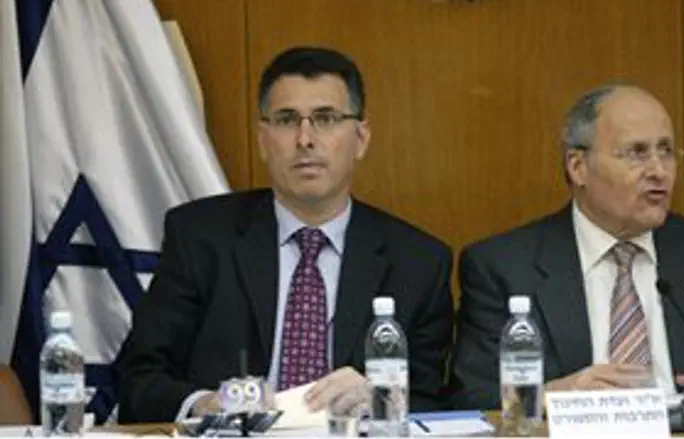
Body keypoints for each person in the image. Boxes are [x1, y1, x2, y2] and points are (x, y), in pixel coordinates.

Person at [118, 47, 454, 422]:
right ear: (263, 140)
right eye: (286, 120)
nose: (305, 139)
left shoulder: (418, 263)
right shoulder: (199, 237)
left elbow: (433, 403)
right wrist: (208, 404)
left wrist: (380, 400)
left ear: (361, 138)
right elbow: (138, 379)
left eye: (326, 118)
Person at [449, 84, 684, 409]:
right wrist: (549, 396)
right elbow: (472, 397)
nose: (659, 171)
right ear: (578, 167)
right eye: (637, 152)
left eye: (666, 151)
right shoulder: (503, 267)